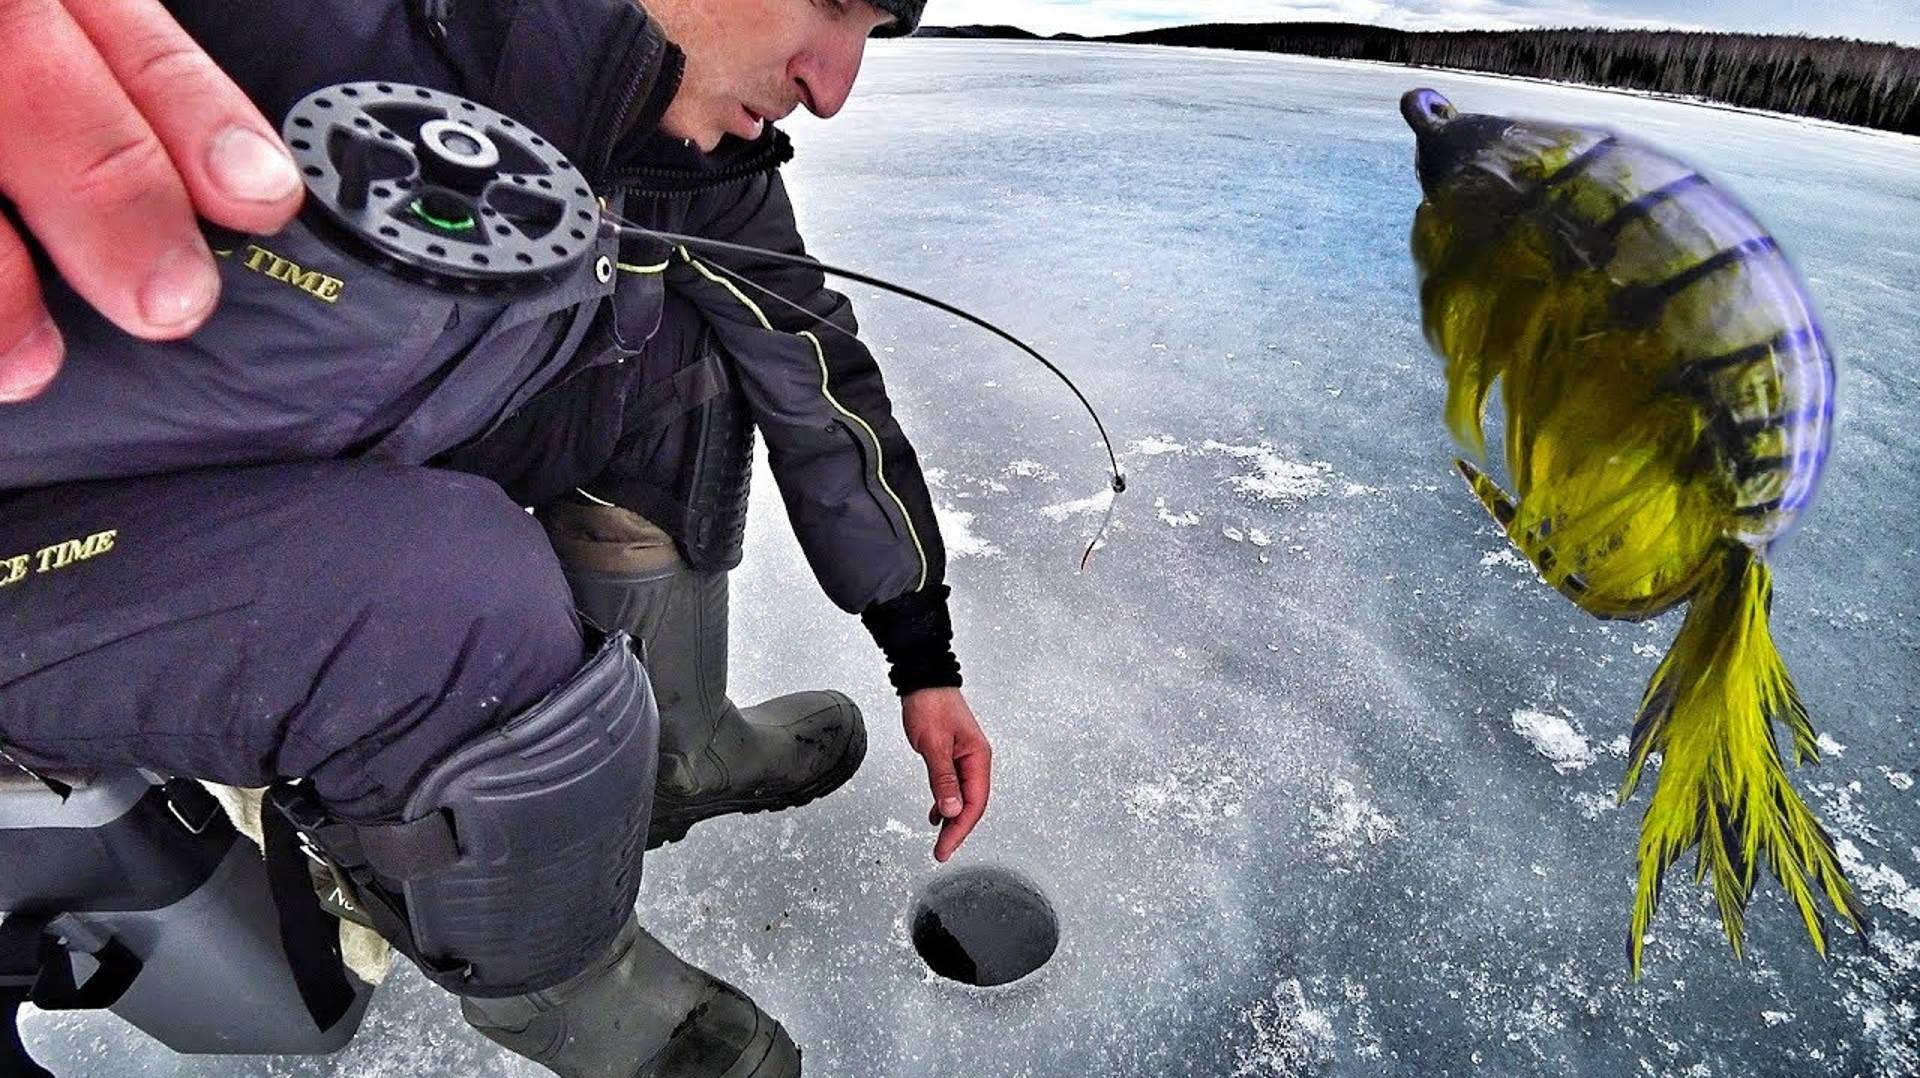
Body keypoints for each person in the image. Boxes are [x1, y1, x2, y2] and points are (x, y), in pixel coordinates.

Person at [0, 1, 990, 1074]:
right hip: (44, 537)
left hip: (349, 442)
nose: (833, 87)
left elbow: (807, 352)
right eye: (831, 1)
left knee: (682, 359)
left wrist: (921, 652)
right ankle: (561, 990)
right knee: (457, 598)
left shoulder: (675, 134)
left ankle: (676, 744)